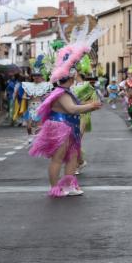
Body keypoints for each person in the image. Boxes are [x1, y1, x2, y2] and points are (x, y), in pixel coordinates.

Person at [29, 28, 105, 197]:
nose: (75, 78)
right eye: (73, 76)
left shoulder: (66, 92)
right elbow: (71, 109)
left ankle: (69, 185)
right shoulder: (60, 93)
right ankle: (55, 187)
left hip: (70, 127)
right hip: (61, 128)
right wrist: (91, 106)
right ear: (68, 77)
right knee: (58, 158)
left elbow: (72, 109)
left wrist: (88, 106)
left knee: (72, 157)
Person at [21, 55, 53, 140]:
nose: (36, 77)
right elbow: (23, 96)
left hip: (40, 107)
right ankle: (30, 136)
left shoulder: (45, 85)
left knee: (39, 127)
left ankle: (38, 140)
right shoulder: (28, 85)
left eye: (37, 75)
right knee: (28, 126)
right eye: (34, 75)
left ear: (41, 76)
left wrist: (44, 98)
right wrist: (28, 97)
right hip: (30, 107)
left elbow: (49, 96)